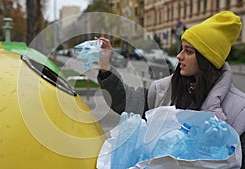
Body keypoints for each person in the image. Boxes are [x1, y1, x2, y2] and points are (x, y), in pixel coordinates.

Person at [96, 11, 245, 167]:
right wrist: (105, 67)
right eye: (182, 49)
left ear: (206, 60)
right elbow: (127, 102)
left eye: (188, 51)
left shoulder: (240, 110)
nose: (179, 56)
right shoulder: (163, 89)